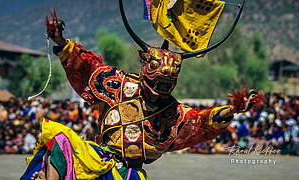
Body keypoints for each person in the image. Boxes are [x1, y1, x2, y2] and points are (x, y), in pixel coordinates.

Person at [22, 1, 263, 180]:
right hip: (98, 157)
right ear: (144, 65)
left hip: (130, 175)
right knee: (60, 140)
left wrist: (233, 109)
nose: (163, 85)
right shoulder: (117, 83)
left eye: (169, 82)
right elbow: (87, 67)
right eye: (158, 78)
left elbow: (200, 122)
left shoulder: (173, 114)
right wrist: (62, 42)